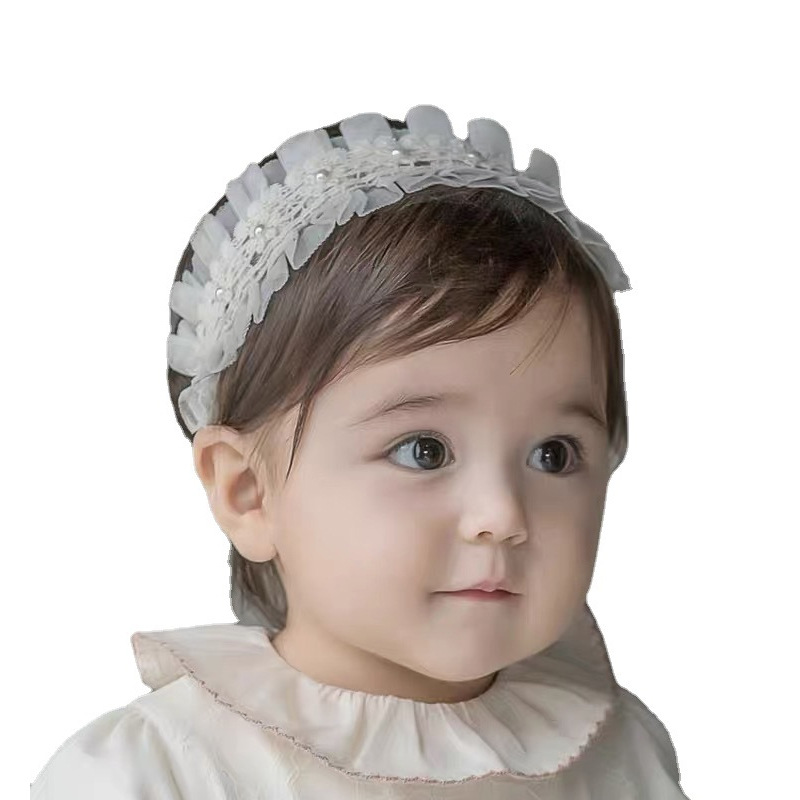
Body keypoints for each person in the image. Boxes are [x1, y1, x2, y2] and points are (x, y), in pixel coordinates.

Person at [31, 104, 690, 798]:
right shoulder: (156, 772)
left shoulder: (620, 757)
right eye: (424, 451)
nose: (502, 516)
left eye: (554, 454)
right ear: (248, 493)